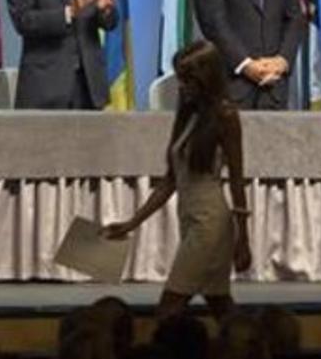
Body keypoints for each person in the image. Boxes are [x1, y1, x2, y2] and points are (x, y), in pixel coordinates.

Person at [103, 40, 250, 321]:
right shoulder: (188, 115)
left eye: (188, 80)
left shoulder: (226, 116)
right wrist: (132, 222)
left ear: (206, 78)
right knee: (219, 303)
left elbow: (237, 179)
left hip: (210, 223)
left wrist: (243, 238)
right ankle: (249, 355)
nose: (182, 86)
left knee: (170, 307)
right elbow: (170, 181)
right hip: (191, 218)